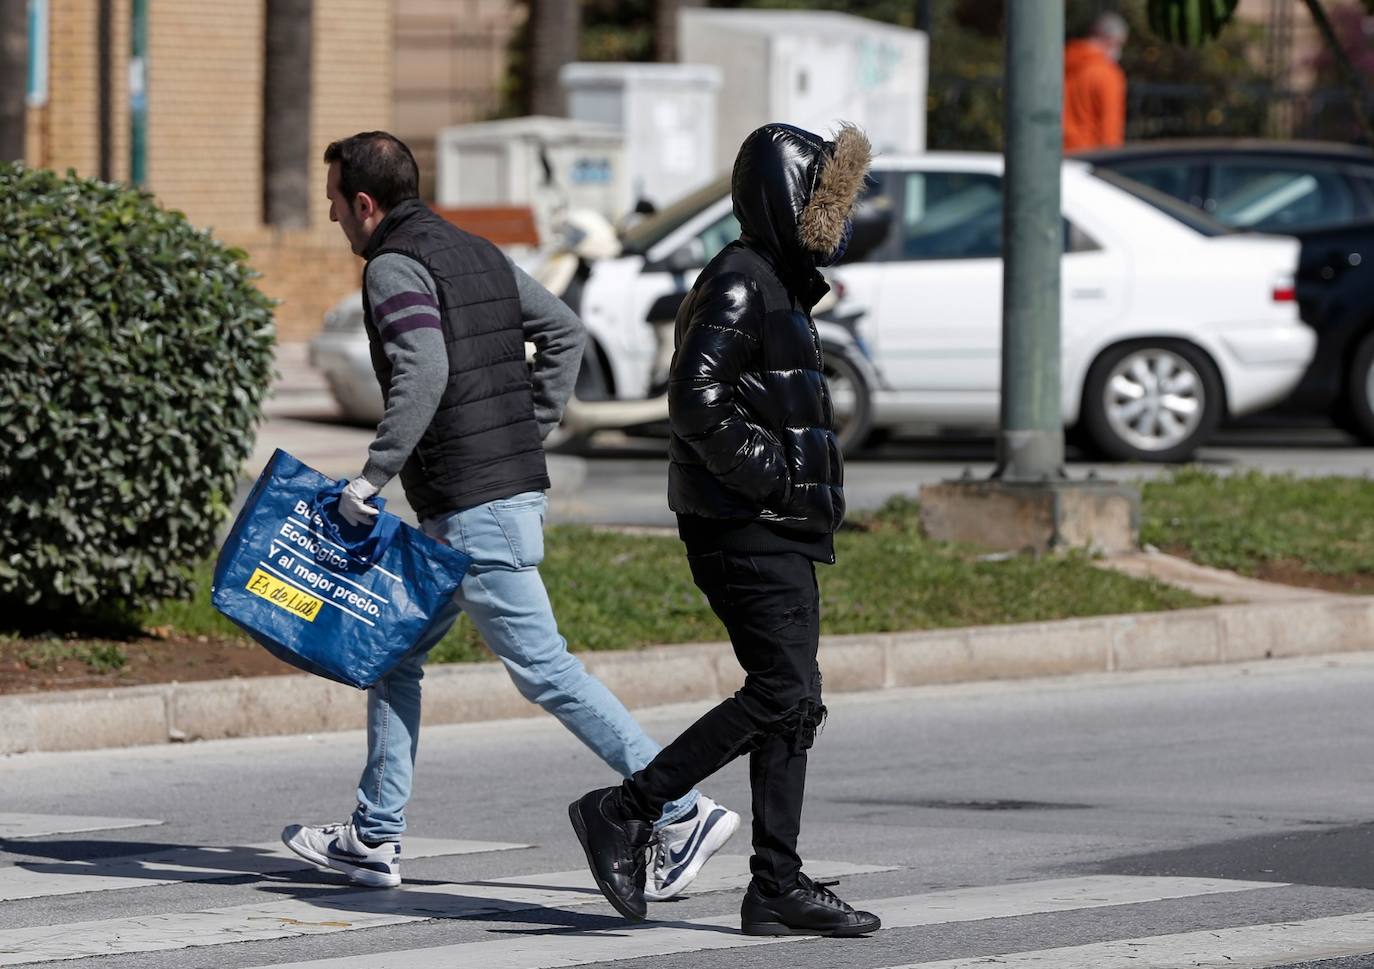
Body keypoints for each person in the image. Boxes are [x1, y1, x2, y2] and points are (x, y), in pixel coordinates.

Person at [283, 131, 738, 901]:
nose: (332, 218)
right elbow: (563, 329)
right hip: (484, 499)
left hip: (474, 509)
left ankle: (682, 804)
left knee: (549, 672)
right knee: (395, 658)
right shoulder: (476, 251)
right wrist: (529, 426)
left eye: (334, 203)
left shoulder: (395, 265)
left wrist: (372, 477)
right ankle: (372, 834)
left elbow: (424, 367)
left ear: (365, 203)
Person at [568, 122, 881, 938]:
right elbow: (696, 399)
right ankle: (626, 808)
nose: (832, 216)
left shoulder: (776, 279)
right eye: (819, 199)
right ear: (784, 199)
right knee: (781, 691)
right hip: (746, 524)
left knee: (796, 703)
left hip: (777, 524)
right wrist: (771, 478)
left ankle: (776, 883)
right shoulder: (741, 280)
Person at [1064, 11, 1129, 152]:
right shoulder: (1107, 74)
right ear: (1110, 40)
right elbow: (1110, 129)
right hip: (1089, 157)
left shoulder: (1062, 62)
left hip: (1054, 151)